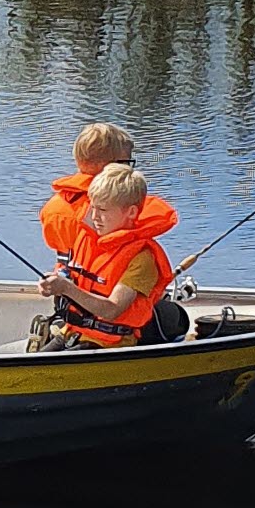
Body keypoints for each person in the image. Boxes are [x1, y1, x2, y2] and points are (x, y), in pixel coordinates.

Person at [32, 163, 178, 351]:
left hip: (109, 344)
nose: (95, 216)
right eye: (92, 208)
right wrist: (52, 283)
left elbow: (112, 309)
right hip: (73, 332)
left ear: (131, 212)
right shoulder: (86, 238)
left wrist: (67, 288)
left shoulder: (141, 259)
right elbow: (69, 274)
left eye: (103, 210)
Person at [40, 122, 135, 271]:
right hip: (103, 287)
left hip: (66, 283)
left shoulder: (54, 205)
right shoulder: (110, 207)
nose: (128, 170)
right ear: (105, 166)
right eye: (125, 164)